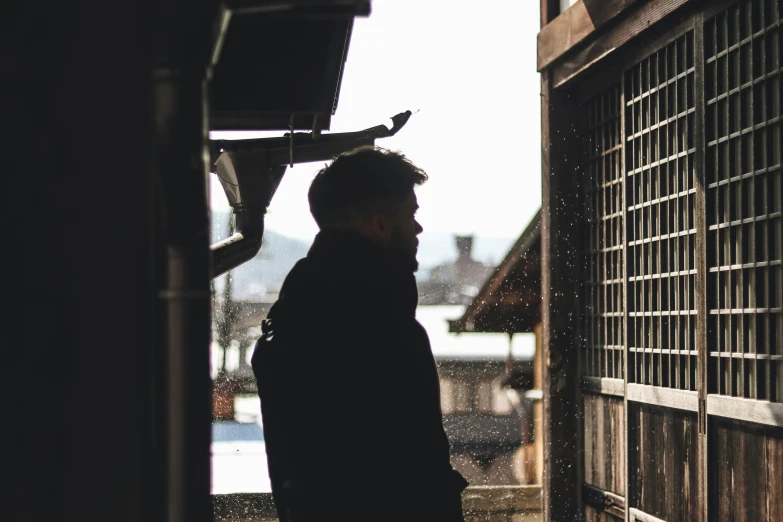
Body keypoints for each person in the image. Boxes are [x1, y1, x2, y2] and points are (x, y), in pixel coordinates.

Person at [251, 146, 468, 522]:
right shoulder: (380, 323)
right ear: (380, 225)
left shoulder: (295, 312)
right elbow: (411, 466)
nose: (418, 228)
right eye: (410, 215)